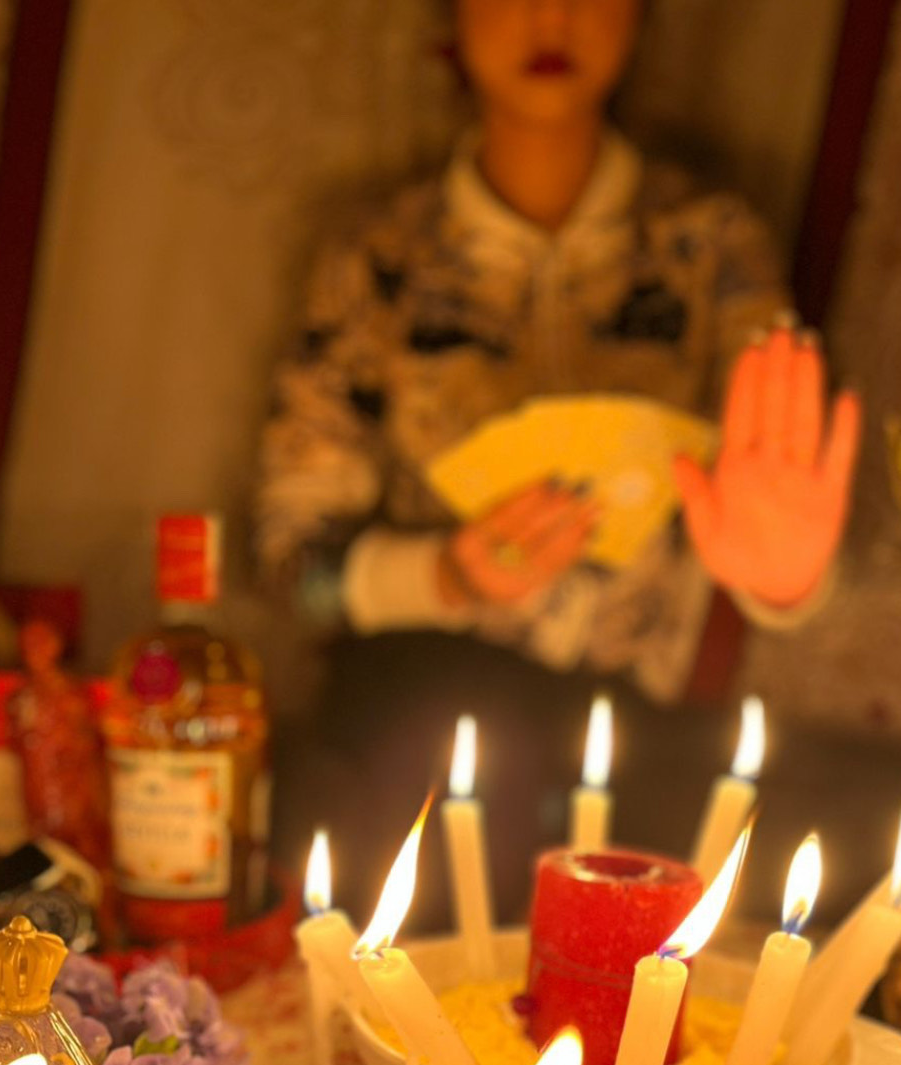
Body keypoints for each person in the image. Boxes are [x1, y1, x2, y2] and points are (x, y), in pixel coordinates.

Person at [254, 0, 861, 706]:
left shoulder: (711, 243)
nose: (551, 15)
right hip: (423, 701)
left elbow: (777, 492)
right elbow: (293, 563)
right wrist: (446, 576)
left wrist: (785, 580)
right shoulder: (380, 256)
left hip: (655, 713)